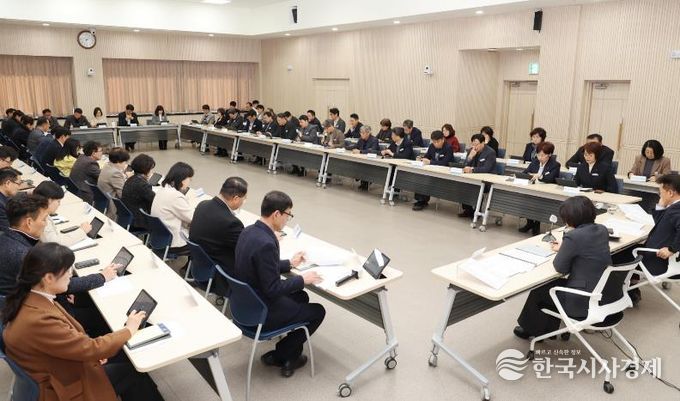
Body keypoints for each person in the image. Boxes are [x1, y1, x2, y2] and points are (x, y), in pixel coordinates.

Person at [2, 243, 165, 401]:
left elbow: (74, 343)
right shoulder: (39, 320)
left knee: (122, 359)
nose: (71, 275)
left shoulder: (31, 298)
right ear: (48, 278)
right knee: (134, 372)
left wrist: (90, 355)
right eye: (67, 270)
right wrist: (129, 329)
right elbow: (93, 348)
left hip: (58, 369)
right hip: (62, 388)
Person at [234, 191, 325, 377]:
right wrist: (302, 279)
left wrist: (290, 263)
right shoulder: (267, 242)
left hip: (244, 303)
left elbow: (260, 265)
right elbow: (273, 289)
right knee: (318, 311)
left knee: (301, 296)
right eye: (288, 215)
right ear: (276, 214)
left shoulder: (248, 231)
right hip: (262, 310)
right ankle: (283, 353)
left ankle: (289, 353)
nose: (287, 220)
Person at [514, 196, 612, 339]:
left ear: (571, 219)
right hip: (601, 292)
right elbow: (586, 250)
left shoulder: (574, 236)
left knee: (540, 289)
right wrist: (566, 247)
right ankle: (549, 331)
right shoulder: (602, 230)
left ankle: (532, 330)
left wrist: (566, 246)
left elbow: (560, 268)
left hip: (580, 299)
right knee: (552, 285)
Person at [190, 177, 247, 294]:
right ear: (236, 198)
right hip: (221, 274)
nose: (244, 202)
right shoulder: (231, 222)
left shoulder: (202, 205)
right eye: (244, 198)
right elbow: (246, 249)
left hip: (200, 265)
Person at [150, 162, 194, 255]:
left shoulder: (163, 189)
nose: (190, 181)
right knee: (204, 241)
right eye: (189, 179)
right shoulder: (176, 196)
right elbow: (192, 218)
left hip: (158, 237)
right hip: (171, 242)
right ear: (183, 179)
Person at [519, 142, 561, 235]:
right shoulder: (535, 162)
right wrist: (529, 175)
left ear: (549, 154)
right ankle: (529, 223)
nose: (540, 157)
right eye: (538, 154)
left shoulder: (555, 164)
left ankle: (536, 224)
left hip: (547, 192)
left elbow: (551, 179)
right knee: (527, 198)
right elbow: (525, 172)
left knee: (538, 202)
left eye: (542, 155)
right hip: (533, 189)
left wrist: (540, 176)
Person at [33, 181, 91, 246]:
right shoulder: (41, 217)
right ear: (49, 200)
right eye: (58, 201)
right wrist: (82, 231)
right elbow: (55, 243)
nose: (59, 204)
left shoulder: (36, 209)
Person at [412, 130, 454, 211]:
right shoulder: (432, 146)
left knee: (426, 179)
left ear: (443, 139)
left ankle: (422, 201)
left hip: (443, 173)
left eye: (437, 142)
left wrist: (430, 162)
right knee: (420, 176)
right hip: (432, 170)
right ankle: (420, 201)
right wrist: (421, 158)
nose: (436, 144)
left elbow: (445, 163)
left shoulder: (448, 148)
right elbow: (427, 156)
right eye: (434, 142)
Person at [459, 133, 497, 218]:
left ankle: (477, 211)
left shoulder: (490, 152)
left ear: (483, 143)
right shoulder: (471, 151)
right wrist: (470, 157)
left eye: (476, 144)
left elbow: (487, 169)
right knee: (463, 184)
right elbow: (464, 165)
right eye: (473, 144)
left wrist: (472, 170)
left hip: (486, 180)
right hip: (473, 178)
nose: (474, 147)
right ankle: (467, 210)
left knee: (478, 187)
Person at [121, 154, 156, 231]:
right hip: (139, 222)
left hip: (129, 219)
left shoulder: (130, 179)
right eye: (150, 169)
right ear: (146, 169)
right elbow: (155, 201)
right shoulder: (142, 184)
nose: (151, 172)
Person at [98, 147, 131, 219]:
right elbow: (123, 195)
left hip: (105, 204)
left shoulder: (107, 166)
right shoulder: (115, 173)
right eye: (125, 162)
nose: (125, 164)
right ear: (119, 162)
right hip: (113, 209)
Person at [347, 125, 380, 190]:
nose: (361, 134)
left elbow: (373, 151)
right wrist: (345, 147)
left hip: (372, 162)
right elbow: (356, 146)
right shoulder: (361, 139)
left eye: (363, 133)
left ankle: (365, 182)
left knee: (364, 166)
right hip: (362, 159)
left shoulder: (374, 140)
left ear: (368, 133)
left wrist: (360, 151)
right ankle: (361, 180)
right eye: (360, 133)